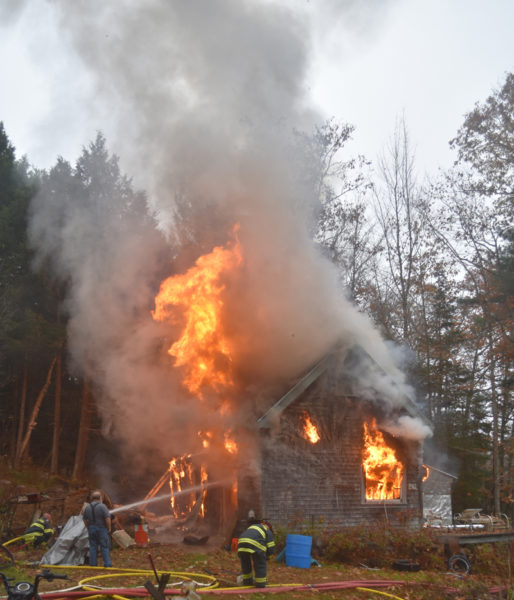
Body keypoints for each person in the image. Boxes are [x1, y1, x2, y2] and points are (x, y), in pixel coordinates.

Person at [237, 511, 275, 588]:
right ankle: (260, 584)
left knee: (245, 564)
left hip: (241, 543)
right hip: (255, 544)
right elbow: (271, 547)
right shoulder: (268, 531)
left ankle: (247, 582)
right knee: (260, 563)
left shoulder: (253, 527)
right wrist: (268, 557)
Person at [82, 490, 113, 567]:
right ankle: (107, 564)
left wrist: (88, 527)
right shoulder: (102, 506)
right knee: (104, 546)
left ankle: (93, 564)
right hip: (101, 529)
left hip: (91, 528)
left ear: (92, 498)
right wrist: (109, 528)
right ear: (100, 498)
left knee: (92, 547)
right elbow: (107, 518)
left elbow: (84, 519)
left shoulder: (87, 507)